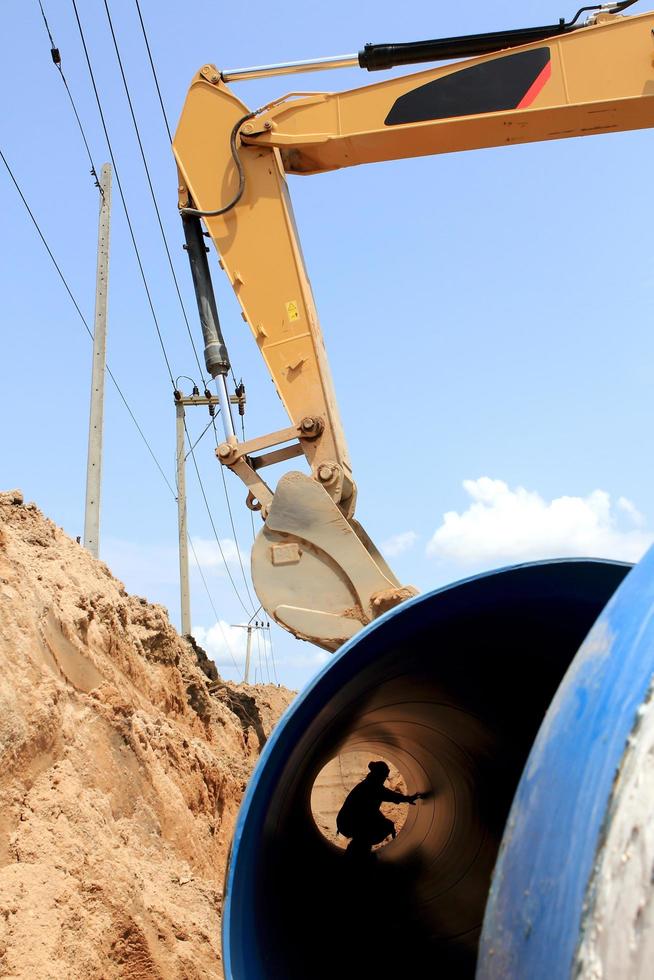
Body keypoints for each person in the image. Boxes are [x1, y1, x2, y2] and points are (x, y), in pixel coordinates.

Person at [336, 760, 426, 854]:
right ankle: (359, 852)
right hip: (350, 823)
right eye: (384, 776)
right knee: (383, 827)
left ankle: (358, 848)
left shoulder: (367, 784)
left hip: (346, 823)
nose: (385, 779)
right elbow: (389, 795)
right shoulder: (372, 787)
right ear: (379, 775)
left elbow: (371, 810)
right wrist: (408, 799)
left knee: (384, 825)